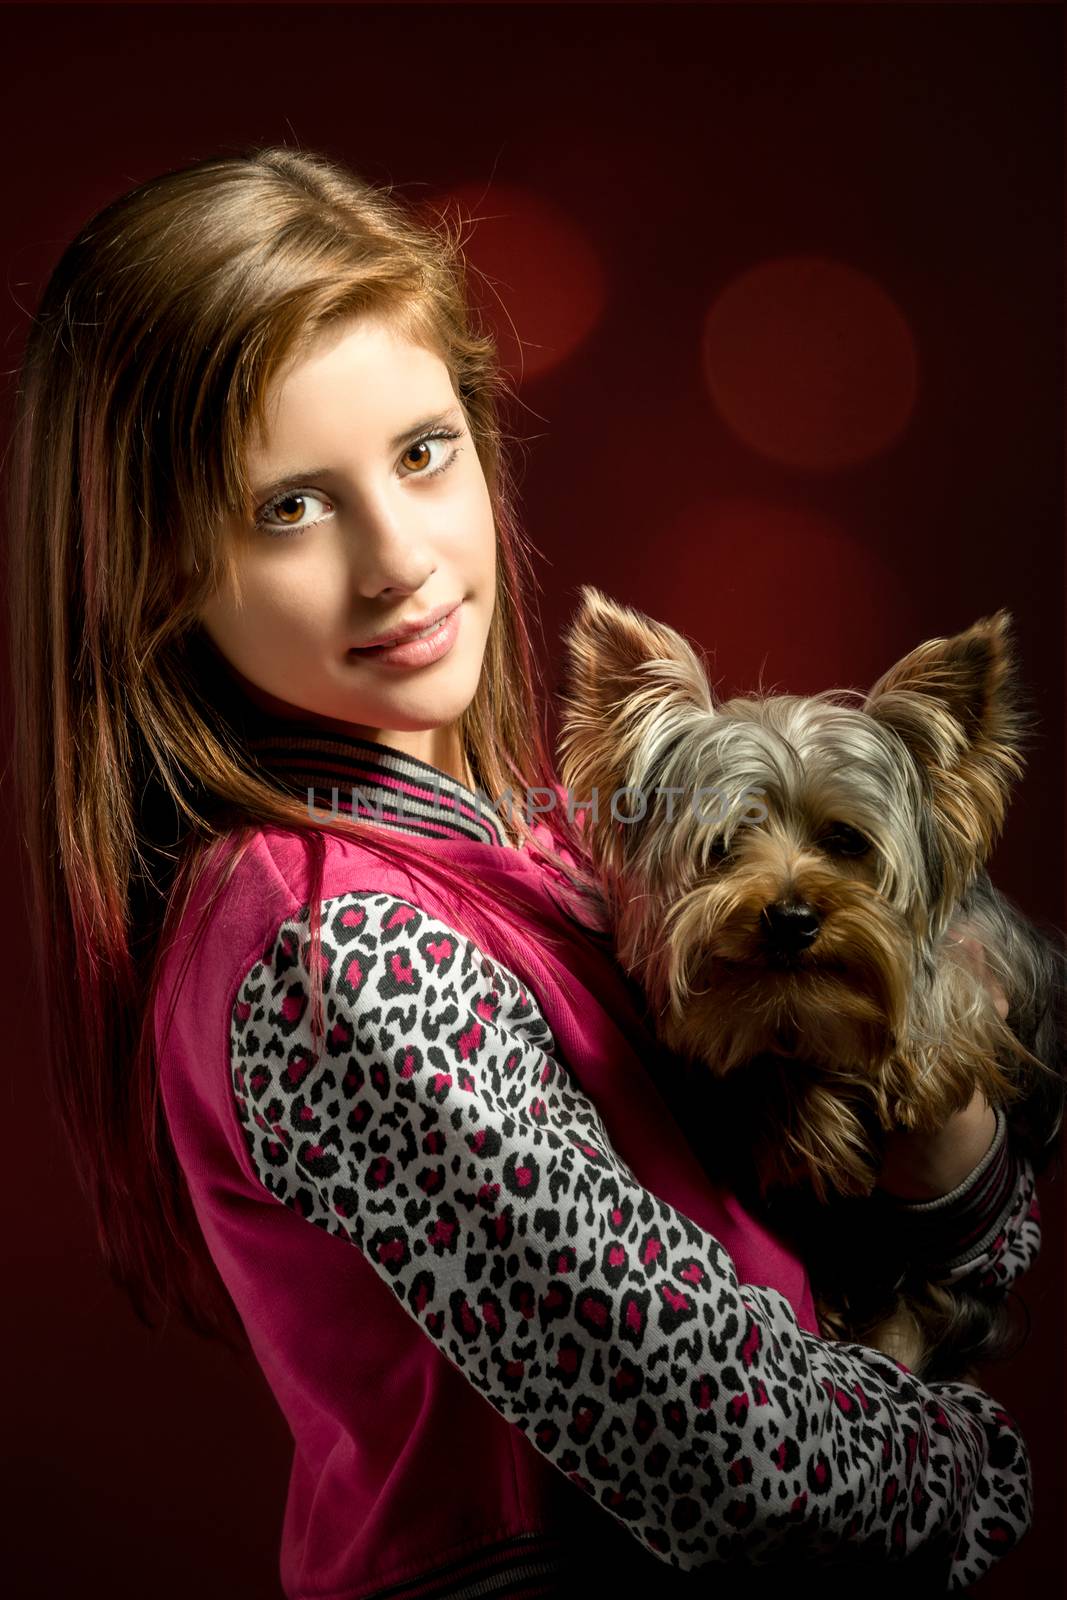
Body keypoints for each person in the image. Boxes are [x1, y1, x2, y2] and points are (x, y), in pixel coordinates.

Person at [4, 144, 1041, 1599]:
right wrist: (977, 1463)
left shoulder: (527, 846)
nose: (400, 561)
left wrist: (949, 1174)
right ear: (156, 569)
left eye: (424, 454)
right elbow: (728, 1459)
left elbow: (890, 1227)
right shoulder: (339, 946)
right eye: (289, 508)